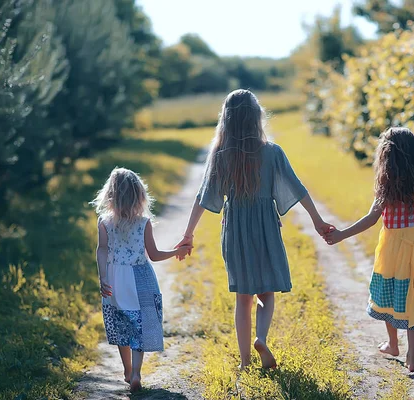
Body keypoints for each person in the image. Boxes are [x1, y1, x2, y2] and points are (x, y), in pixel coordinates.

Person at [175, 89, 333, 369]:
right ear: (257, 118)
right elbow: (298, 188)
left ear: (226, 120)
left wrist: (188, 234)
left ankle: (245, 362)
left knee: (243, 298)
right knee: (266, 292)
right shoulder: (272, 152)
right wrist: (317, 220)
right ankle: (261, 337)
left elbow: (203, 196)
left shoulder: (221, 155)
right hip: (266, 228)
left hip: (235, 228)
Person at [324, 127, 414, 372]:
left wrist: (341, 235)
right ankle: (412, 356)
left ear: (386, 158)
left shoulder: (386, 186)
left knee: (390, 293)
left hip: (391, 249)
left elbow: (371, 219)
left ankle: (393, 344)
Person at [91, 167, 191, 392]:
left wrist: (103, 278)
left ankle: (126, 370)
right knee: (140, 325)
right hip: (140, 277)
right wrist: (176, 252)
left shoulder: (104, 222)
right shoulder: (143, 222)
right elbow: (154, 255)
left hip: (115, 279)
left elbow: (102, 250)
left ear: (110, 195)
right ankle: (136, 372)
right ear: (139, 195)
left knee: (121, 324)